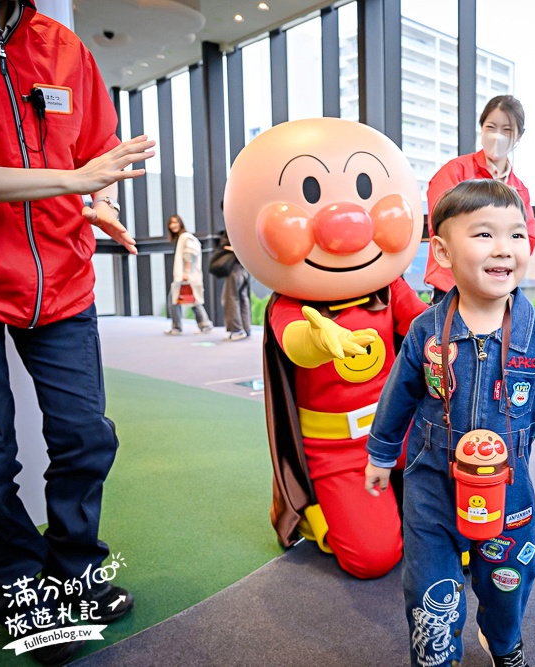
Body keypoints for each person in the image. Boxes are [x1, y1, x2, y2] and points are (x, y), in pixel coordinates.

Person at [0, 0, 154, 663]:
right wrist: (73, 180)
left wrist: (104, 205)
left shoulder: (62, 46)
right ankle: (16, 585)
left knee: (85, 435)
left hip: (62, 276)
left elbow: (99, 155)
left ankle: (74, 569)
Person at [364, 179, 535, 667]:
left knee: (510, 579)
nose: (504, 249)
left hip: (509, 488)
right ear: (443, 251)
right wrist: (380, 453)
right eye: (483, 235)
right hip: (431, 482)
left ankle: (502, 641)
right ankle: (436, 655)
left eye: (517, 236)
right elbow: (399, 396)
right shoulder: (426, 330)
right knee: (429, 586)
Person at [222, 117, 428, 579]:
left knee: (464, 515)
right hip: (338, 450)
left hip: (402, 428)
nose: (346, 225)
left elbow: (423, 326)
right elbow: (295, 343)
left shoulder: (390, 287)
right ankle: (321, 512)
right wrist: (321, 337)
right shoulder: (289, 303)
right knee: (374, 559)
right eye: (312, 194)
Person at [424, 95, 535, 303]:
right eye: (491, 127)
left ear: (519, 136)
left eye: (507, 130)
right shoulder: (455, 171)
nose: (497, 136)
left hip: (498, 291)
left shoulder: (520, 189)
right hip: (451, 288)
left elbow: (528, 237)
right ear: (482, 128)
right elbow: (441, 227)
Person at [165, 214, 213, 335]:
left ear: (181, 223)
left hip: (187, 276)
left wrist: (186, 272)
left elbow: (190, 254)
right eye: (171, 223)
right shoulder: (183, 237)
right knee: (190, 300)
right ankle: (203, 325)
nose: (173, 225)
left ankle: (180, 327)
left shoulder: (186, 237)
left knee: (179, 300)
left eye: (175, 222)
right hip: (187, 276)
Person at [213, 229, 252, 341]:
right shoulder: (245, 227)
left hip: (234, 269)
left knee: (230, 298)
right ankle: (246, 328)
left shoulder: (233, 228)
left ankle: (237, 330)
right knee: (242, 298)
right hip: (244, 268)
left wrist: (228, 248)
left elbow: (227, 247)